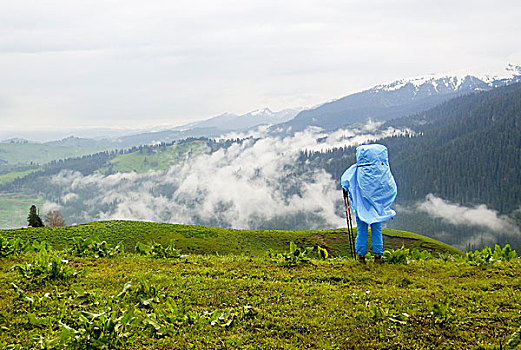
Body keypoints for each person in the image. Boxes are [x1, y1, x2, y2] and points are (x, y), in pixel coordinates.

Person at [340, 144, 397, 264]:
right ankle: (378, 256)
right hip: (377, 207)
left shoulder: (357, 170)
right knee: (377, 229)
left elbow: (345, 182)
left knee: (362, 230)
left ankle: (361, 257)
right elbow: (390, 187)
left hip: (361, 207)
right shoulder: (383, 172)